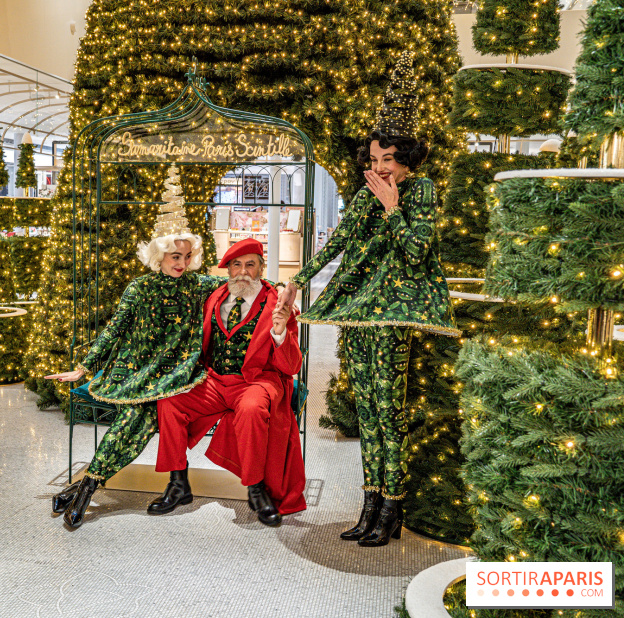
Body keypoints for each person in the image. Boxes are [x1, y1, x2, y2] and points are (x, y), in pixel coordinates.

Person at [278, 51, 460, 546]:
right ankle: (369, 503)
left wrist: (393, 208)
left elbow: (418, 252)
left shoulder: (419, 192)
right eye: (375, 160)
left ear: (407, 159)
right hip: (358, 314)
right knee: (368, 411)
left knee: (389, 409)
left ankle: (392, 508)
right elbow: (336, 244)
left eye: (389, 161)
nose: (381, 169)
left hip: (394, 313)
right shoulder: (364, 196)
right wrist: (298, 279)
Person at [45, 167, 222, 529]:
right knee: (135, 420)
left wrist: (280, 288)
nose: (182, 263)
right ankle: (85, 488)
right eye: (175, 256)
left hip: (175, 375)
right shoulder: (139, 288)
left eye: (186, 257)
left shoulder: (197, 285)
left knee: (134, 421)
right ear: (160, 255)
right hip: (139, 373)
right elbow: (114, 330)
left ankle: (83, 489)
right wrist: (84, 367)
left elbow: (241, 281)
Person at [150, 238, 307, 526]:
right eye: (236, 265)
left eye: (250, 265)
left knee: (251, 410)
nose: (243, 272)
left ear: (261, 268)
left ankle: (256, 488)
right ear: (228, 270)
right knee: (170, 401)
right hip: (214, 380)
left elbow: (292, 365)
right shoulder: (216, 296)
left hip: (257, 381)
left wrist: (281, 330)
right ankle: (178, 483)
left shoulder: (277, 304)